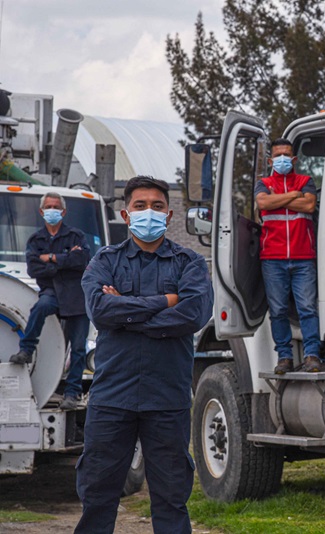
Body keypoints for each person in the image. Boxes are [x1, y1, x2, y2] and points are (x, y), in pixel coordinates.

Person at [76, 175, 213, 534]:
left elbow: (194, 315)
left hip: (167, 398)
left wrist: (127, 311)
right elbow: (101, 311)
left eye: (157, 206)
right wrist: (166, 302)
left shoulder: (191, 264)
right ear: (126, 214)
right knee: (98, 495)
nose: (148, 212)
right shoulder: (105, 261)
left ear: (169, 216)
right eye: (140, 206)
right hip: (112, 397)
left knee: (171, 498)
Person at [8, 192, 90, 410]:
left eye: (56, 207)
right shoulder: (36, 240)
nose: (52, 210)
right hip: (51, 291)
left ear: (63, 212)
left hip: (77, 296)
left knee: (79, 348)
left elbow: (82, 260)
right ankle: (27, 349)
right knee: (41, 307)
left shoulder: (76, 236)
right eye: (48, 206)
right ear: (41, 211)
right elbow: (34, 268)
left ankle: (72, 393)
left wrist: (51, 259)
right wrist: (65, 261)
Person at [256, 138, 322, 374]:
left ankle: (312, 354)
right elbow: (263, 202)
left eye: (287, 155)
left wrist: (280, 200)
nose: (283, 159)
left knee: (307, 308)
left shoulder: (306, 181)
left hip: (303, 256)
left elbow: (309, 206)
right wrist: (295, 196)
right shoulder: (263, 184)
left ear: (294, 159)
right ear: (270, 160)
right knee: (278, 311)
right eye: (278, 155)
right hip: (272, 259)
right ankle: (284, 357)